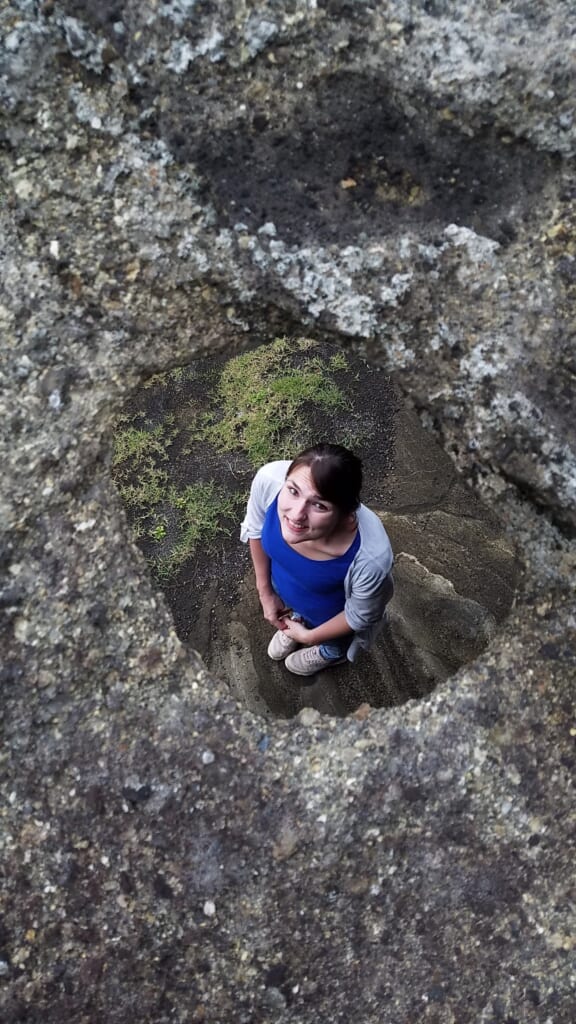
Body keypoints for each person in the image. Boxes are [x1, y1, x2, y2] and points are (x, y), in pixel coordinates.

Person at [240, 443, 394, 677]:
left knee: (335, 643)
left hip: (333, 620)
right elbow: (255, 530)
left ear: (345, 514)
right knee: (296, 612)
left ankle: (330, 653)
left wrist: (309, 636)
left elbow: (359, 615)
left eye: (319, 505)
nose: (296, 514)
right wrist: (266, 593)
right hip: (286, 591)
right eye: (293, 491)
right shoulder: (270, 481)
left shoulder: (370, 559)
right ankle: (297, 620)